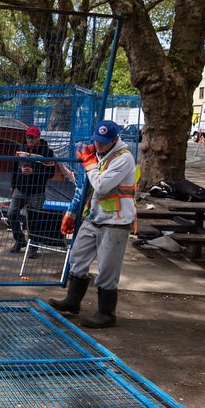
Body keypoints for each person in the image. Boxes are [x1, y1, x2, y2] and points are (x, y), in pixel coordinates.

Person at [48, 120, 136, 329]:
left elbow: (102, 186)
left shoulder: (123, 159)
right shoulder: (98, 156)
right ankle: (72, 301)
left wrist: (89, 164)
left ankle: (106, 313)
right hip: (95, 217)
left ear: (115, 140)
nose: (99, 145)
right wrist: (71, 211)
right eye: (97, 141)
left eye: (104, 142)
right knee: (78, 256)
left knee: (107, 268)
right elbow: (84, 186)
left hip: (116, 220)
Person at [7, 126, 56, 254]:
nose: (30, 139)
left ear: (38, 137)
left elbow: (51, 173)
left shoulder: (47, 152)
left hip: (37, 191)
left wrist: (34, 172)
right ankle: (20, 240)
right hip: (20, 189)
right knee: (11, 213)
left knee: (34, 219)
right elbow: (14, 168)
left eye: (33, 137)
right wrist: (13, 184)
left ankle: (33, 247)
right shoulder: (21, 150)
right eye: (28, 136)